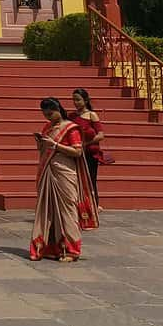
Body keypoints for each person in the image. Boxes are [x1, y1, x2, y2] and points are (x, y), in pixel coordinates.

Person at [30, 97, 98, 262]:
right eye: (45, 115)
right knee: (48, 210)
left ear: (58, 109)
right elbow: (45, 148)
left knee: (67, 210)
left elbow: (77, 152)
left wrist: (55, 145)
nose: (48, 117)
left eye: (50, 113)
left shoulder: (70, 128)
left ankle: (72, 250)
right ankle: (49, 248)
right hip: (49, 169)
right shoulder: (48, 127)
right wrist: (41, 143)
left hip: (65, 172)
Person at [70, 87, 106, 210]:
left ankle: (93, 205)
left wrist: (86, 143)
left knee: (90, 179)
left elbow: (101, 135)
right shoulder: (72, 116)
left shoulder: (92, 115)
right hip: (76, 152)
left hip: (90, 153)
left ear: (85, 100)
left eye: (78, 100)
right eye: (74, 100)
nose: (76, 102)